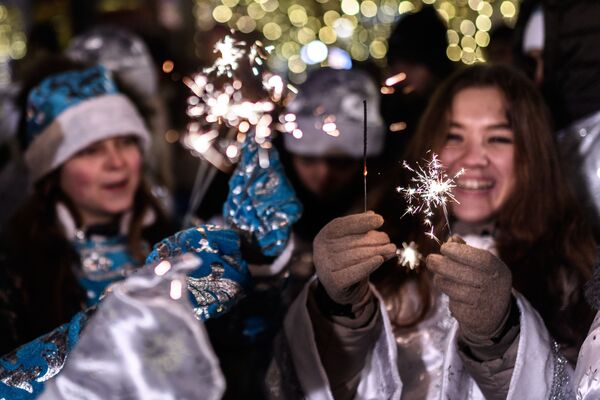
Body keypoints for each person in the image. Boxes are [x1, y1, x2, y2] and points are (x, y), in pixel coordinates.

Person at [268, 64, 595, 399]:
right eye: (454, 136)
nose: (472, 159)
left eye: (498, 138)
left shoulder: (573, 279)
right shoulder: (381, 251)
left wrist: (504, 337)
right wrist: (336, 309)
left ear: (533, 154)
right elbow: (297, 383)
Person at [0, 58, 173, 354]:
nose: (116, 163)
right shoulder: (15, 269)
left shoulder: (170, 240)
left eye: (125, 142)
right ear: (52, 171)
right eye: (90, 150)